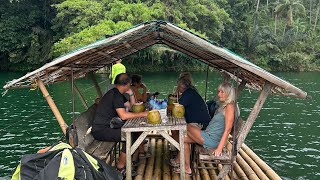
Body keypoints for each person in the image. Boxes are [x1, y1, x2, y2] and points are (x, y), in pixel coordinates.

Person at [171, 82, 238, 175]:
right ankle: (187, 168)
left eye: (222, 92)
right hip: (208, 134)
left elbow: (227, 130)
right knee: (183, 139)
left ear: (229, 93)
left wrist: (219, 149)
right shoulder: (225, 106)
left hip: (212, 140)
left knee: (186, 126)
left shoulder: (230, 107)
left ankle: (178, 161)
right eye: (219, 91)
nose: (219, 94)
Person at [91, 73, 148, 175]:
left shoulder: (117, 93)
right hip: (101, 130)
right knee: (129, 135)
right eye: (129, 84)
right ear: (127, 84)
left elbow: (132, 108)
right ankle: (120, 167)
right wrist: (143, 114)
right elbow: (123, 116)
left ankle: (138, 155)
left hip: (108, 126)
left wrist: (131, 94)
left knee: (133, 133)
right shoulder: (115, 95)